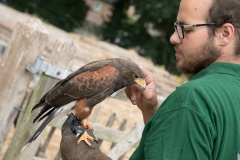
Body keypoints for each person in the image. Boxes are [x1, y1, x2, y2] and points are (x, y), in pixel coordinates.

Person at [60, 0, 240, 159]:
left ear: (224, 34)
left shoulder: (194, 99)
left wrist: (88, 157)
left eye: (185, 29)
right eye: (176, 27)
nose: (173, 38)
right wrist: (153, 112)